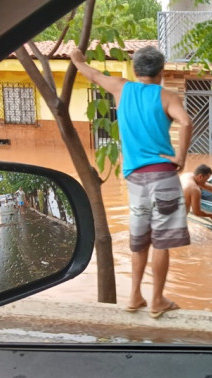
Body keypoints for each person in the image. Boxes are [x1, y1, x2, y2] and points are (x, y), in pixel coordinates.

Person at [70, 46, 193, 319]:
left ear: (135, 70)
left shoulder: (120, 87)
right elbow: (185, 123)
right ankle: (157, 300)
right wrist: (180, 157)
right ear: (161, 72)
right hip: (163, 175)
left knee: (140, 239)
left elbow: (90, 74)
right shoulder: (167, 96)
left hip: (135, 179)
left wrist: (77, 59)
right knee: (162, 242)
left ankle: (135, 296)